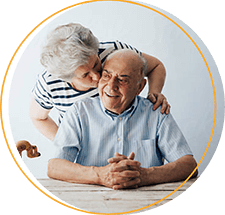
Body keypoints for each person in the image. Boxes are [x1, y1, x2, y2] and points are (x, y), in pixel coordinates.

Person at [47, 49, 198, 190]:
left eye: (122, 80)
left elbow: (189, 165)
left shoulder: (155, 112)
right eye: (106, 76)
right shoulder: (79, 112)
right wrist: (101, 175)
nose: (111, 86)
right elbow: (54, 167)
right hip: (91, 202)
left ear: (140, 87)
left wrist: (143, 175)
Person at [29, 23, 170, 141]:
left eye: (96, 63)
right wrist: (65, 142)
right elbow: (38, 118)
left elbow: (155, 66)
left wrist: (154, 93)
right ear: (66, 78)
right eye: (85, 75)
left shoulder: (115, 51)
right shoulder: (49, 83)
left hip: (130, 137)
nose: (97, 77)